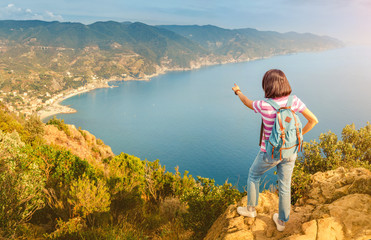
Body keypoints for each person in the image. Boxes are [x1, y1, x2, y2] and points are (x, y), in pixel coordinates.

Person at [232, 69, 318, 231]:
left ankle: (250, 210)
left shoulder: (264, 105)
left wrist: (238, 91)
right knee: (285, 185)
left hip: (270, 153)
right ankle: (282, 222)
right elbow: (313, 120)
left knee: (253, 174)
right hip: (291, 151)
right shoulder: (295, 101)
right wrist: (298, 135)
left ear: (267, 86)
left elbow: (246, 101)